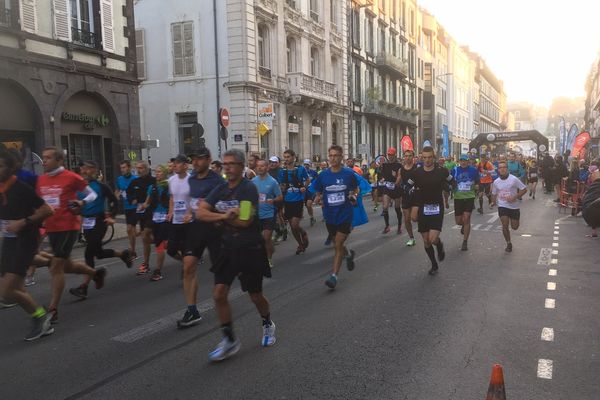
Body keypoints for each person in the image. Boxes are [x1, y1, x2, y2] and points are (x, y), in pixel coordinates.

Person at [198, 149, 275, 362]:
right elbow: (200, 211)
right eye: (225, 164)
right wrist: (224, 215)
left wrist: (219, 219)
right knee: (219, 293)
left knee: (255, 295)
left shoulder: (248, 189)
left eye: (232, 164)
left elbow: (244, 222)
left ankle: (267, 322)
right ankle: (229, 339)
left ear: (242, 167)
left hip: (250, 248)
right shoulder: (220, 189)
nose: (228, 167)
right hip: (227, 248)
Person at [36, 147, 106, 323]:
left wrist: (81, 201)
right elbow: (39, 203)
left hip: (68, 225)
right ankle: (96, 273)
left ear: (59, 161)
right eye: (43, 158)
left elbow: (93, 194)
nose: (44, 161)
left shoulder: (71, 177)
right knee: (66, 266)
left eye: (48, 158)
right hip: (51, 226)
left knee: (56, 266)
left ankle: (53, 309)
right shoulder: (41, 180)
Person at [0, 150, 55, 340]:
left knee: (7, 291)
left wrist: (22, 222)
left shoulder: (21, 189)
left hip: (25, 241)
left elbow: (47, 210)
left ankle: (41, 318)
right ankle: (39, 317)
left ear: (10, 168)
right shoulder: (1, 189)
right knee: (13, 290)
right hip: (8, 241)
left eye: (0, 166)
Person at [68, 161, 132, 299]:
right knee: (99, 253)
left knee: (89, 252)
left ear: (95, 170)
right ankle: (123, 254)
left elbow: (114, 201)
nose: (85, 171)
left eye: (88, 168)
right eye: (83, 168)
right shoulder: (78, 187)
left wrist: (112, 217)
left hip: (100, 221)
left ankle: (84, 287)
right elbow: (75, 206)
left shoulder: (101, 186)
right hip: (87, 222)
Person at [178, 148, 225, 327]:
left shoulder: (217, 180)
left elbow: (222, 205)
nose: (195, 163)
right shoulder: (191, 179)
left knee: (219, 271)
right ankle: (192, 310)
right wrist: (190, 212)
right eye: (193, 159)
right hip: (195, 228)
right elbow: (193, 201)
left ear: (208, 159)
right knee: (188, 265)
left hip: (214, 228)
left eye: (199, 159)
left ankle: (221, 301)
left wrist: (211, 212)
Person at [311, 145, 359, 289]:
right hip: (330, 215)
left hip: (345, 214)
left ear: (341, 157)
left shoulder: (348, 174)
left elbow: (355, 188)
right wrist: (317, 198)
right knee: (336, 242)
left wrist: (353, 196)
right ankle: (349, 254)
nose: (333, 158)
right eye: (330, 155)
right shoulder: (323, 175)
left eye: (336, 155)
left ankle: (334, 276)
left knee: (337, 244)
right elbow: (318, 191)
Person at [413, 146, 452, 275]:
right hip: (423, 208)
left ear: (433, 157)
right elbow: (409, 185)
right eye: (424, 157)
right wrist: (414, 205)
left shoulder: (441, 171)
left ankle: (439, 244)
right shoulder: (417, 172)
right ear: (421, 157)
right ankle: (434, 264)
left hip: (436, 208)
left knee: (432, 239)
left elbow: (452, 181)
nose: (427, 160)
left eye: (430, 157)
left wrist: (449, 188)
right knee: (426, 241)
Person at [491, 160, 528, 252]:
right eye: (500, 168)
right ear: (498, 170)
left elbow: (524, 189)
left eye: (504, 167)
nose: (502, 169)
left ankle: (513, 227)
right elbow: (494, 193)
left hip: (514, 207)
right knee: (505, 224)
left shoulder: (514, 179)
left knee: (515, 227)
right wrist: (493, 202)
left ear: (507, 169)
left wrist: (515, 197)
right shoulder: (496, 182)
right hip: (502, 206)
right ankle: (508, 243)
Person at [142, 165, 171, 281]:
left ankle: (158, 271)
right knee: (145, 235)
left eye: (160, 172)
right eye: (156, 172)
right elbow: (147, 202)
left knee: (160, 245)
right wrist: (143, 206)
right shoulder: (152, 187)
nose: (157, 174)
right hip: (154, 216)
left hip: (165, 217)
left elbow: (173, 201)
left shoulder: (169, 187)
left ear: (164, 173)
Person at [278, 149, 310, 255]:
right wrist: (282, 189)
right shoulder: (283, 171)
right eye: (285, 157)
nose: (286, 159)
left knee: (295, 225)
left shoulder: (301, 169)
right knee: (292, 226)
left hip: (298, 199)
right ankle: (300, 244)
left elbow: (308, 180)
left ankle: (302, 233)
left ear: (293, 157)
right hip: (287, 200)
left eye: (288, 157)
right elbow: (282, 184)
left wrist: (304, 187)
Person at [252, 159, 283, 267]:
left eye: (262, 166)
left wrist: (273, 200)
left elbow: (280, 197)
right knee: (259, 240)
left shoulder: (272, 182)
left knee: (266, 238)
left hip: (269, 214)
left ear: (267, 167)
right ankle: (270, 248)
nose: (259, 168)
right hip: (256, 214)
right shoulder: (253, 181)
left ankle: (268, 259)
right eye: (258, 166)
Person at [127, 161, 156, 274]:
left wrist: (150, 203)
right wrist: (132, 198)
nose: (139, 170)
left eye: (141, 168)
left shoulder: (153, 181)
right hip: (139, 210)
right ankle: (145, 262)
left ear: (147, 169)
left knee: (145, 236)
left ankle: (146, 263)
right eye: (137, 168)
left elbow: (158, 194)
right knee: (133, 230)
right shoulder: (135, 181)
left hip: (152, 211)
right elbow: (129, 193)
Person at [451, 154, 480, 251]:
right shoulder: (454, 170)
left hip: (469, 197)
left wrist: (477, 186)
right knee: (458, 221)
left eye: (465, 160)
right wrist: (451, 187)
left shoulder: (473, 170)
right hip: (458, 197)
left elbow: (477, 181)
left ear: (468, 161)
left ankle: (465, 242)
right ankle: (463, 225)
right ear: (459, 161)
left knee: (467, 218)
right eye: (461, 160)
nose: (463, 162)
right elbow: (450, 181)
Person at [116, 160, 139, 259]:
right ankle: (133, 248)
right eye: (121, 168)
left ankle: (133, 251)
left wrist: (136, 199)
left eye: (124, 167)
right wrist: (116, 195)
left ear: (129, 168)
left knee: (130, 228)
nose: (122, 170)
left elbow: (141, 191)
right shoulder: (119, 179)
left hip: (135, 207)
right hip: (126, 207)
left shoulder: (136, 178)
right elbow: (118, 190)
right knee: (129, 231)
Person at [379, 147, 403, 234]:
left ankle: (399, 225)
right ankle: (387, 226)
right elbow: (383, 176)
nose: (390, 156)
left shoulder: (399, 165)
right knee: (385, 207)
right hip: (388, 188)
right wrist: (382, 179)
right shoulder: (385, 165)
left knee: (397, 208)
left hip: (397, 189)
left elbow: (400, 177)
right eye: (389, 154)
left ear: (395, 155)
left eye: (391, 155)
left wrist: (396, 178)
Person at [399, 149, 419, 246]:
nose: (407, 158)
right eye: (406, 156)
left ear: (413, 157)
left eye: (409, 156)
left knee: (414, 218)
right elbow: (398, 182)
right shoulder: (401, 170)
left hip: (416, 196)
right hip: (406, 196)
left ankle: (423, 222)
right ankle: (411, 238)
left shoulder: (417, 168)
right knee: (407, 219)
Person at [582, 162, 600, 238]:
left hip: (592, 198)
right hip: (594, 195)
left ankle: (594, 232)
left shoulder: (593, 173)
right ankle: (594, 232)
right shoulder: (595, 172)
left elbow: (583, 179)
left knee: (594, 209)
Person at [303, 159, 318, 226]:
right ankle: (311, 216)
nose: (306, 166)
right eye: (305, 164)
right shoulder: (300, 172)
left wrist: (316, 190)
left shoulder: (313, 172)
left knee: (309, 204)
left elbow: (318, 181)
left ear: (310, 165)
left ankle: (311, 218)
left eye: (307, 164)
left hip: (311, 191)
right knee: (306, 206)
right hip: (303, 191)